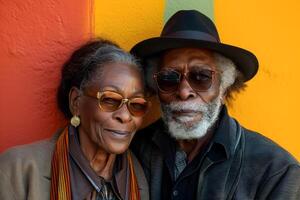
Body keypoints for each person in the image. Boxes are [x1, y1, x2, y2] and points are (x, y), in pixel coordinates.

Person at [130, 10, 300, 200]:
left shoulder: (276, 172)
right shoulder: (133, 150)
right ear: (156, 86)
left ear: (223, 88)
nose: (184, 92)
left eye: (201, 77)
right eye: (169, 78)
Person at [0, 39, 150, 200]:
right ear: (76, 102)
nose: (126, 116)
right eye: (110, 100)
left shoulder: (137, 176)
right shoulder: (18, 170)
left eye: (136, 104)